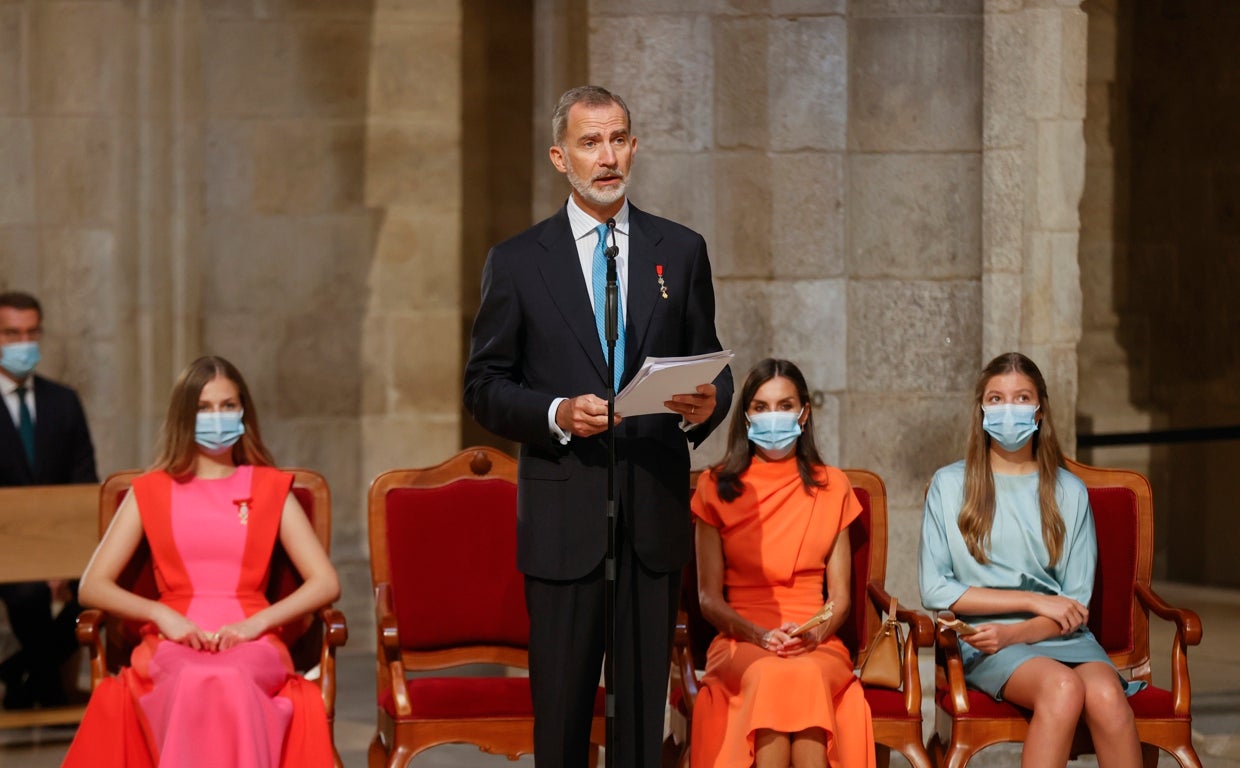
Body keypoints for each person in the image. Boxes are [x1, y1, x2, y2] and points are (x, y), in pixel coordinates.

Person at [463, 85, 733, 768]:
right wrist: (555, 413)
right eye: (590, 143)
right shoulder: (518, 261)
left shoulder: (681, 250)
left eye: (617, 140)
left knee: (641, 723)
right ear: (561, 157)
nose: (606, 157)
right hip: (564, 519)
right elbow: (484, 387)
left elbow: (711, 364)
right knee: (562, 720)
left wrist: (709, 402)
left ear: (633, 148)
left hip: (651, 517)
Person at [62, 356, 340, 768]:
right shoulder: (149, 490)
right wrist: (160, 615)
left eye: (228, 405)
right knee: (192, 678)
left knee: (232, 677)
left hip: (253, 637)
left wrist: (257, 624)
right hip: (172, 637)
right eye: (204, 407)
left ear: (243, 410)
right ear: (183, 416)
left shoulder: (269, 486)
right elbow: (92, 586)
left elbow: (325, 582)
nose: (217, 417)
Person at [918, 352, 1143, 768]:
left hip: (1061, 634)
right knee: (1062, 688)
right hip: (986, 639)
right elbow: (935, 589)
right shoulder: (949, 486)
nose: (1009, 409)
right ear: (981, 409)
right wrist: (1033, 602)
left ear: (1039, 411)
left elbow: (1075, 604)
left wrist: (1022, 629)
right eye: (997, 398)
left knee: (1108, 696)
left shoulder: (1069, 491)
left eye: (1022, 398)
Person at [689, 359, 875, 768]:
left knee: (803, 674)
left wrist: (813, 634)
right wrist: (758, 636)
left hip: (816, 640)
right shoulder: (714, 486)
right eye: (761, 407)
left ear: (803, 413)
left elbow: (841, 598)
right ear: (746, 416)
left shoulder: (833, 486)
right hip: (740, 639)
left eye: (784, 405)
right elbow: (708, 599)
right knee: (772, 675)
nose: (773, 416)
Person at [0, 290, 98, 710]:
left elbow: (84, 481)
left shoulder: (64, 402)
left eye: (31, 333)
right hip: (6, 552)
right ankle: (48, 691)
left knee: (101, 592)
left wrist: (60, 558)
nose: (23, 343)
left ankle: (19, 673)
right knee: (29, 596)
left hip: (65, 547)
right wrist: (34, 558)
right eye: (11, 334)